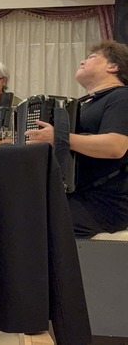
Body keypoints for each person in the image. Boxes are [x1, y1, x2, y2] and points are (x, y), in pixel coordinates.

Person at [26, 40, 128, 238]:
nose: (82, 61)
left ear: (113, 66)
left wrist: (59, 138)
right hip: (80, 194)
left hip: (106, 202)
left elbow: (115, 146)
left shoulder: (121, 97)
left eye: (91, 57)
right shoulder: (84, 103)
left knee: (31, 224)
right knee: (18, 211)